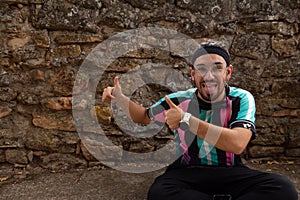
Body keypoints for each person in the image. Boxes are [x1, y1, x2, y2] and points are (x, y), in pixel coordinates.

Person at [102, 41, 298, 200]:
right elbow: (144, 116)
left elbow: (238, 143)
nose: (209, 76)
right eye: (201, 69)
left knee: (284, 189)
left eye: (217, 68)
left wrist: (186, 120)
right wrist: (120, 98)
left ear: (228, 72)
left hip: (230, 172)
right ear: (192, 73)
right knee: (160, 193)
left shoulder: (241, 98)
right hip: (187, 173)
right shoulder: (180, 100)